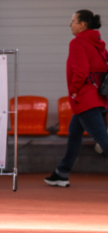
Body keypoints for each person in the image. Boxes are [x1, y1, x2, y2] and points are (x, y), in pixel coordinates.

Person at [45, 10, 108, 187]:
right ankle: (61, 173)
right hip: (99, 98)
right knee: (74, 134)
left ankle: (61, 173)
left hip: (85, 99)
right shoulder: (99, 44)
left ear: (82, 24)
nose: (70, 24)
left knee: (102, 138)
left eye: (73, 21)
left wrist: (73, 91)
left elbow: (81, 72)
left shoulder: (77, 42)